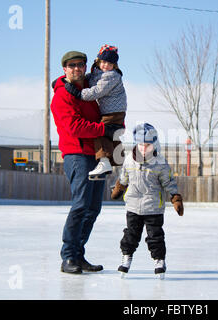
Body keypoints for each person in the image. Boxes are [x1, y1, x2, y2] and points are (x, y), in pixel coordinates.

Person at [51, 50, 123, 274]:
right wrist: (104, 129)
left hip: (95, 155)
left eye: (80, 65)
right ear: (65, 69)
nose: (76, 69)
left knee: (93, 207)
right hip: (77, 155)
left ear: (86, 67)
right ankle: (68, 256)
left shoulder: (88, 91)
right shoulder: (63, 95)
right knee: (81, 205)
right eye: (71, 65)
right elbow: (74, 126)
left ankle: (79, 254)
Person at [111, 123, 184, 279]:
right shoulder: (129, 160)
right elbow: (124, 176)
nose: (144, 149)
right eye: (141, 145)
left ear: (155, 144)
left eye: (148, 145)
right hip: (133, 206)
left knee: (155, 236)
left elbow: (169, 182)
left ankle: (159, 260)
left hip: (153, 208)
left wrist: (175, 198)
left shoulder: (160, 163)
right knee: (131, 234)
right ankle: (126, 257)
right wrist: (119, 187)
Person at [64, 44, 127, 180]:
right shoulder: (98, 72)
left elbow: (96, 92)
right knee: (111, 137)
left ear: (114, 65)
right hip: (112, 111)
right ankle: (122, 168)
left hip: (114, 112)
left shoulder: (111, 76)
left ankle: (104, 162)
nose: (105, 65)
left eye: (110, 63)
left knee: (100, 133)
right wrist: (61, 81)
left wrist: (78, 93)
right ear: (98, 61)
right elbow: (88, 78)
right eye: (103, 62)